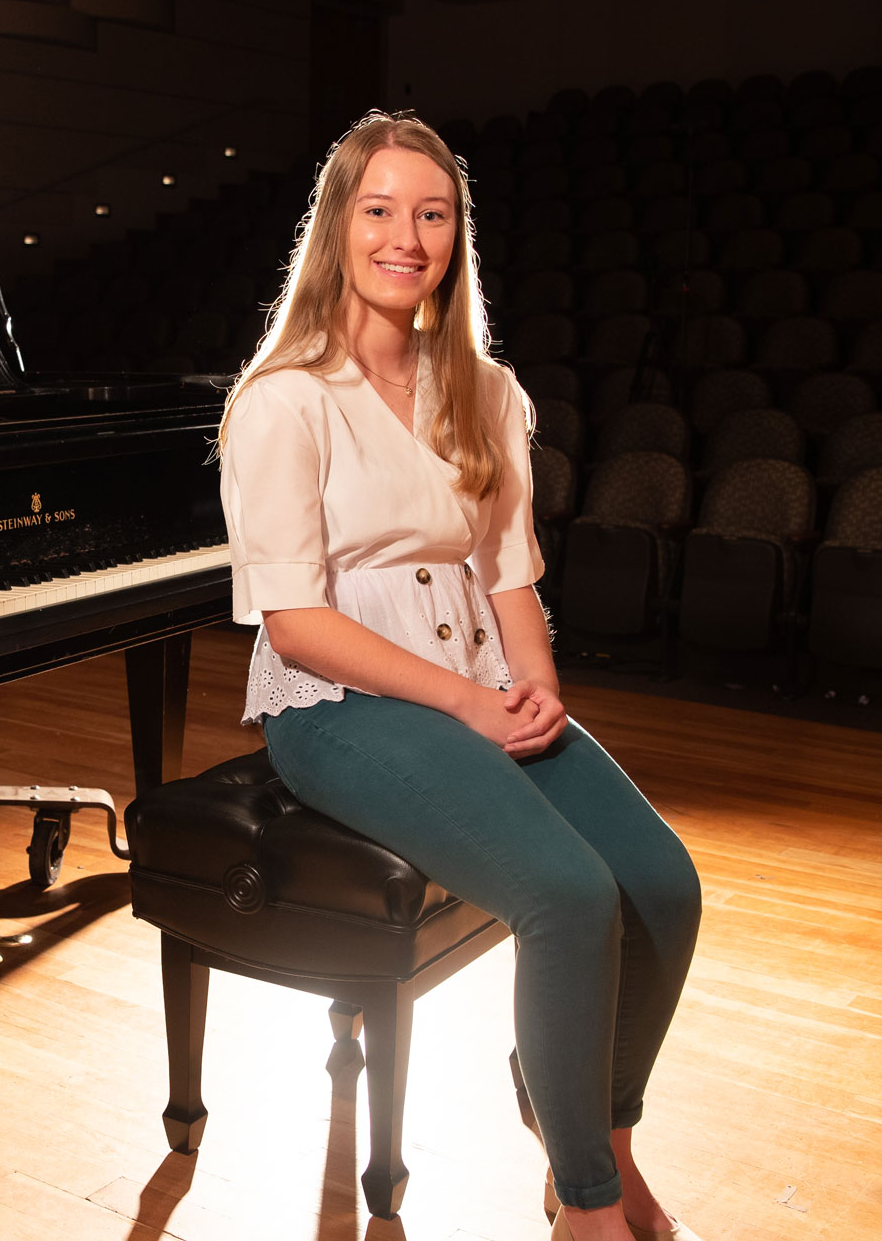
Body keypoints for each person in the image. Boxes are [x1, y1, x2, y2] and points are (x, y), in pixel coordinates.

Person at [215, 111, 707, 1241]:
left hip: (478, 681)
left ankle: (594, 1131)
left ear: (455, 235)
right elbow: (294, 625)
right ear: (338, 226)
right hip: (342, 704)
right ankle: (587, 1205)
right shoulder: (282, 399)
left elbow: (510, 577)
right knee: (569, 895)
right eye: (380, 209)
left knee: (664, 884)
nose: (407, 235)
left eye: (431, 213)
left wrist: (535, 690)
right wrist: (463, 701)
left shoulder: (484, 389)